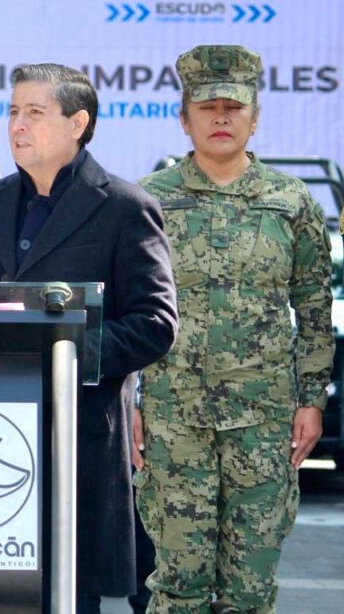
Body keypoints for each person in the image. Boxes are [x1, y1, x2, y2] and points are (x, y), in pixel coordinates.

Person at [0, 63, 178, 613]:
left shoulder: (124, 207)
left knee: (69, 595)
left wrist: (63, 353)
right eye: (12, 112)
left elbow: (155, 323)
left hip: (78, 438)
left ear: (77, 123)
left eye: (34, 113)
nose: (17, 125)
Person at [136, 45, 332, 613]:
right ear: (184, 119)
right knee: (179, 585)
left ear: (255, 117)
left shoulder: (290, 201)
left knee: (251, 589)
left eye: (233, 107)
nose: (220, 118)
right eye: (207, 107)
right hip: (174, 418)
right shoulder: (149, 199)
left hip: (264, 421)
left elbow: (314, 307)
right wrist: (127, 400)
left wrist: (312, 400)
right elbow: (127, 308)